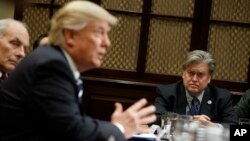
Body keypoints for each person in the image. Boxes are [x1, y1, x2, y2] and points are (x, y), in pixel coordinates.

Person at [0, 1, 156, 141]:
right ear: (70, 35)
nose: (107, 43)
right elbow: (74, 132)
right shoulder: (51, 65)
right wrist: (118, 128)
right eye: (99, 33)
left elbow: (72, 122)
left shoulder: (55, 61)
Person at [154, 50, 238, 127]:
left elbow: (235, 128)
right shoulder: (167, 92)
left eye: (200, 75)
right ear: (183, 74)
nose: (194, 79)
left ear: (209, 78)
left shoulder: (222, 97)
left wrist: (212, 126)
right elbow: (156, 119)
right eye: (190, 73)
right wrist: (189, 121)